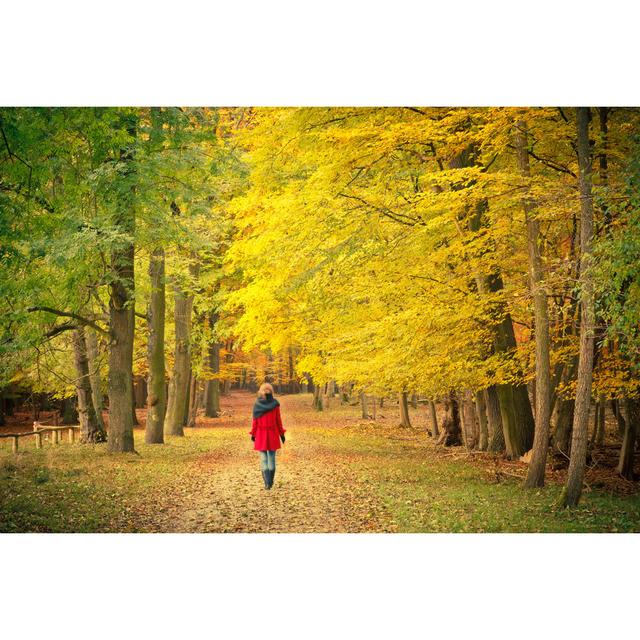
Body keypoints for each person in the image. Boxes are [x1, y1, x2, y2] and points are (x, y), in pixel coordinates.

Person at [250, 383, 286, 489]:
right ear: (271, 391)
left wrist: (253, 433)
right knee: (271, 459)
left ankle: (266, 483)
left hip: (261, 435)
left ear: (261, 391)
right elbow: (278, 420)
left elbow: (255, 421)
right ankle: (270, 482)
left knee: (263, 459)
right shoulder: (275, 404)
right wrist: (281, 434)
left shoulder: (257, 404)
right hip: (273, 434)